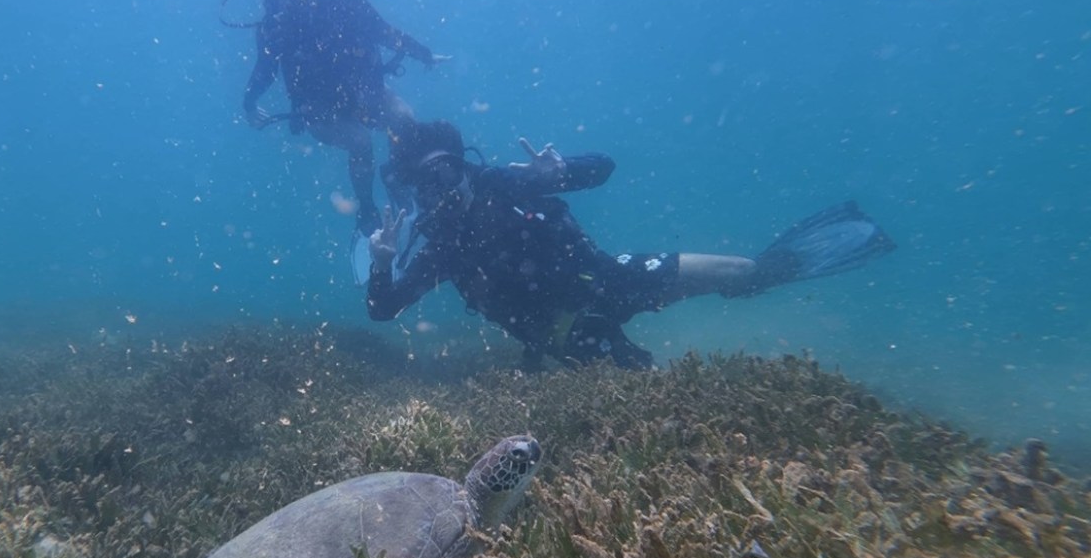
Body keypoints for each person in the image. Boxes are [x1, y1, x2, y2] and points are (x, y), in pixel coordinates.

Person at [366, 120, 896, 370]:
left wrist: (561, 170)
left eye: (448, 173)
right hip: (562, 330)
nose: (443, 192)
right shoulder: (442, 249)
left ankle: (809, 253)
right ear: (416, 193)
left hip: (608, 277)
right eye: (426, 185)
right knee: (643, 383)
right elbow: (383, 310)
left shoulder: (505, 181)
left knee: (741, 270)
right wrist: (382, 264)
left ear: (465, 167)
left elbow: (604, 168)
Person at [241, 0, 440, 235]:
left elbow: (386, 33)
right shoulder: (274, 27)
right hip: (320, 112)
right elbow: (264, 70)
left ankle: (398, 179)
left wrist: (423, 53)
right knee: (360, 142)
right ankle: (367, 211)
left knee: (404, 118)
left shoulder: (346, 5)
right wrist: (249, 102)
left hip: (365, 94)